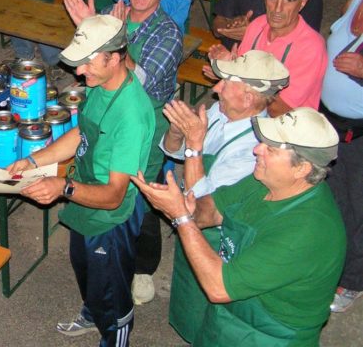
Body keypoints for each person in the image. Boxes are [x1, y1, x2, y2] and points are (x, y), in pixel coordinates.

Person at [133, 107, 345, 346]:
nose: (257, 149)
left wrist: (181, 217)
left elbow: (218, 287)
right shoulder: (265, 182)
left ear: (302, 168)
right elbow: (211, 210)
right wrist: (185, 207)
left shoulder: (306, 231)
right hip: (232, 313)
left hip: (270, 334)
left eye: (270, 148)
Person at [8, 14, 155, 346]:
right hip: (83, 200)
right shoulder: (101, 84)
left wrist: (63, 187)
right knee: (87, 270)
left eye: (87, 63)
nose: (78, 71)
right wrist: (32, 161)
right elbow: (81, 132)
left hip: (109, 218)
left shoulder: (131, 115)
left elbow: (115, 195)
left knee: (113, 299)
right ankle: (92, 313)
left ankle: (112, 333)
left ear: (114, 57)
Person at [64, 0, 182, 306]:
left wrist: (111, 37)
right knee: (100, 179)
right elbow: (91, 62)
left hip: (143, 125)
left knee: (139, 197)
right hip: (103, 116)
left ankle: (143, 266)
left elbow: (138, 80)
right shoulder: (112, 16)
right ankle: (103, 252)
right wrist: (91, 29)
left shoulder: (168, 33)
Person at [160, 50, 289, 343]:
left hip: (218, 240)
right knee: (189, 296)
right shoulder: (223, 110)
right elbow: (172, 149)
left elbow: (201, 209)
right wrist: (178, 134)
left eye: (225, 83)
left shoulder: (254, 151)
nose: (215, 89)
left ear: (248, 98)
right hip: (191, 228)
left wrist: (194, 143)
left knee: (211, 312)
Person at [208, 0, 326, 116]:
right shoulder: (257, 25)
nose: (277, 8)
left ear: (302, 3)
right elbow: (243, 77)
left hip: (283, 128)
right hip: (247, 112)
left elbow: (281, 109)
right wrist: (226, 70)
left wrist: (231, 78)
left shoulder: (311, 47)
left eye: (287, 0)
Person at [321, 0, 363, 313]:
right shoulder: (353, 5)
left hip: (361, 133)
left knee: (359, 207)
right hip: (331, 123)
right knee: (333, 201)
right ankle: (329, 262)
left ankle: (352, 280)